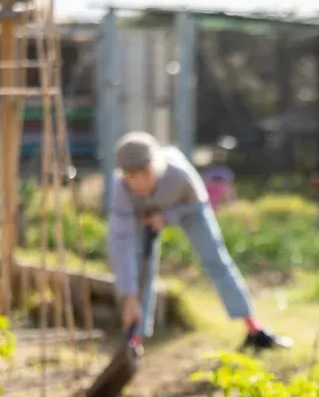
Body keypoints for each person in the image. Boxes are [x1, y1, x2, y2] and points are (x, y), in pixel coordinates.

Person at [106, 131, 292, 351]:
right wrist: (128, 297)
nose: (140, 182)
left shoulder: (178, 173)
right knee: (138, 269)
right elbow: (121, 242)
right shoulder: (120, 189)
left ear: (154, 165)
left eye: (145, 173)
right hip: (143, 216)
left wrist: (166, 217)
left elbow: (198, 203)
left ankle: (255, 330)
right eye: (131, 176)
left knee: (215, 259)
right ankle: (134, 342)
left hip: (188, 209)